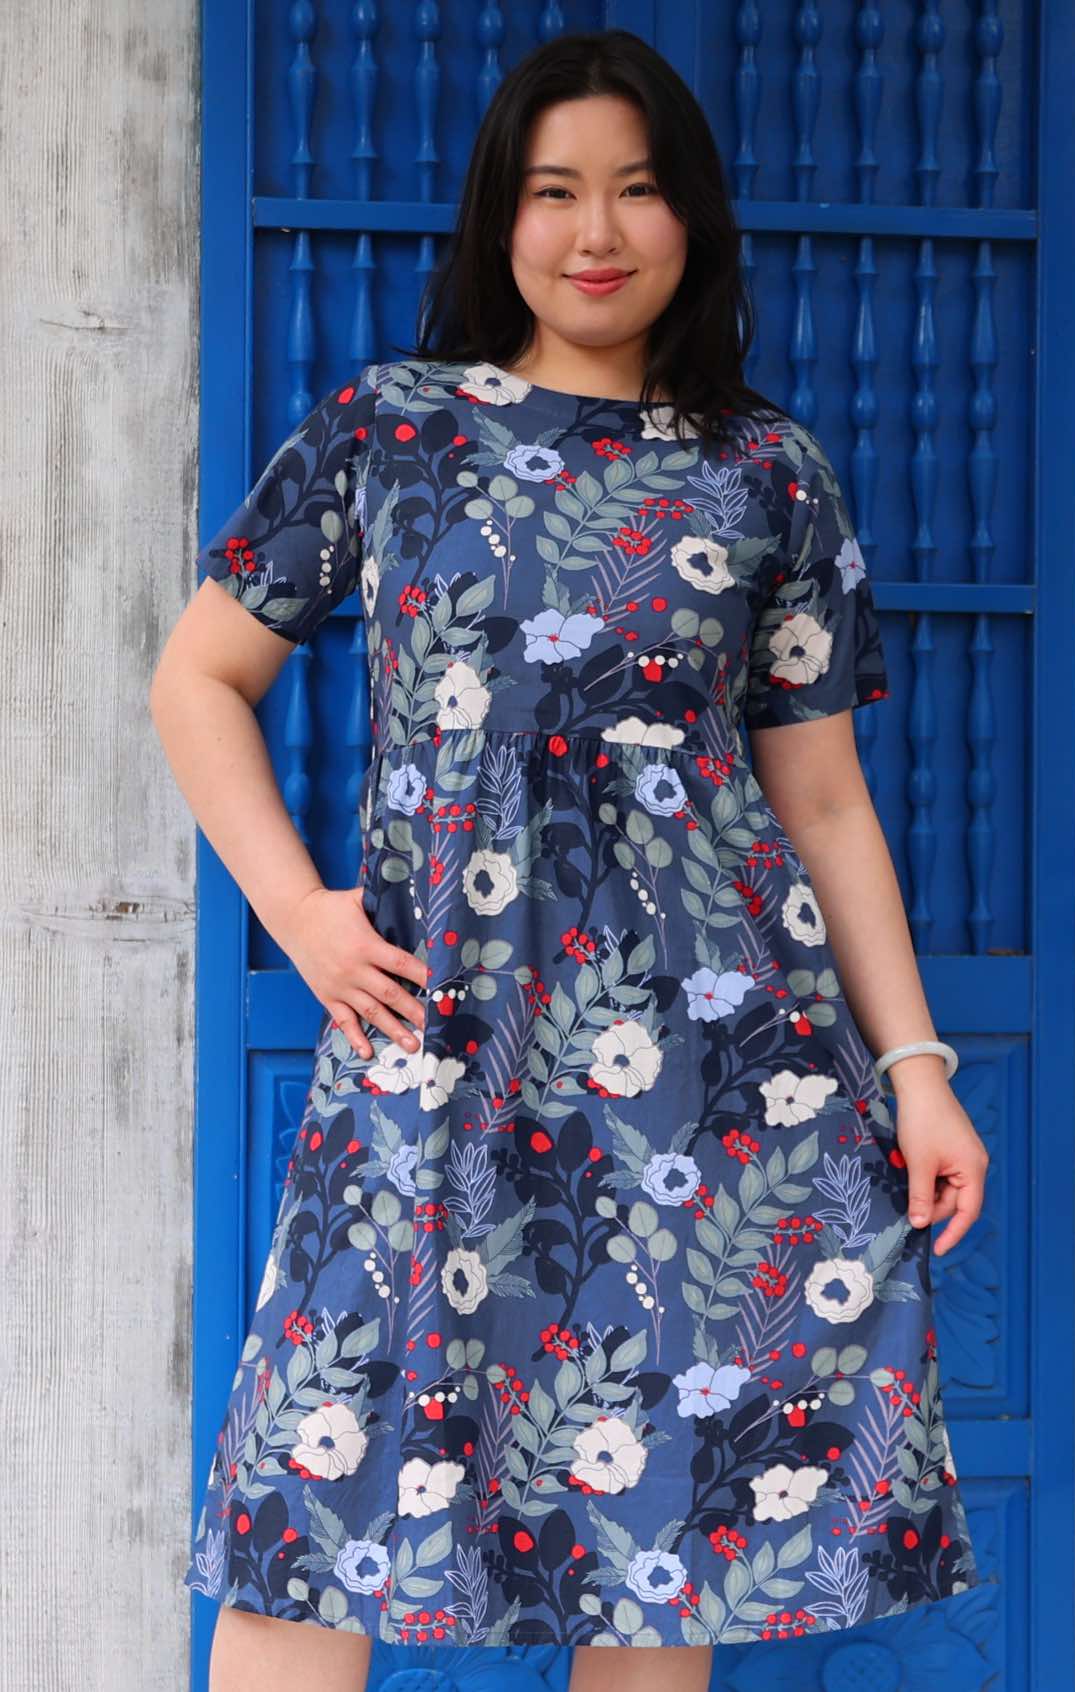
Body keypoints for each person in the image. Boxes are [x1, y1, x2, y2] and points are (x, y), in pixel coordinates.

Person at [152, 27, 993, 1692]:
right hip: (432, 1043)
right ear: (502, 219)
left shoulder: (768, 472)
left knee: (655, 1552)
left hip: (712, 1080)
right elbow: (198, 677)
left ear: (691, 222)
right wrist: (302, 915)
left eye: (635, 188)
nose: (596, 229)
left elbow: (824, 804)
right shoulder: (391, 429)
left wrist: (916, 1068)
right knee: (310, 1526)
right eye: (555, 191)